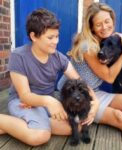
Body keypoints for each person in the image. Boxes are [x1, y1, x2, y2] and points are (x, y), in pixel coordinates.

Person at [0, 9, 99, 146]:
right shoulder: (19, 56)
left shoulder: (58, 58)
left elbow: (79, 81)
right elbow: (24, 96)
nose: (56, 41)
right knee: (40, 136)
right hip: (23, 102)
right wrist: (49, 102)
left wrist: (95, 101)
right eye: (50, 37)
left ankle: (23, 124)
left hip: (45, 104)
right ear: (34, 36)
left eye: (57, 36)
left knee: (77, 126)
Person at [57, 2, 122, 142]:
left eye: (107, 21)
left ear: (113, 20)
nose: (105, 27)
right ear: (92, 27)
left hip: (92, 91)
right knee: (119, 116)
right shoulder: (87, 45)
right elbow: (110, 77)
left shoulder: (112, 40)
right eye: (98, 24)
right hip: (73, 93)